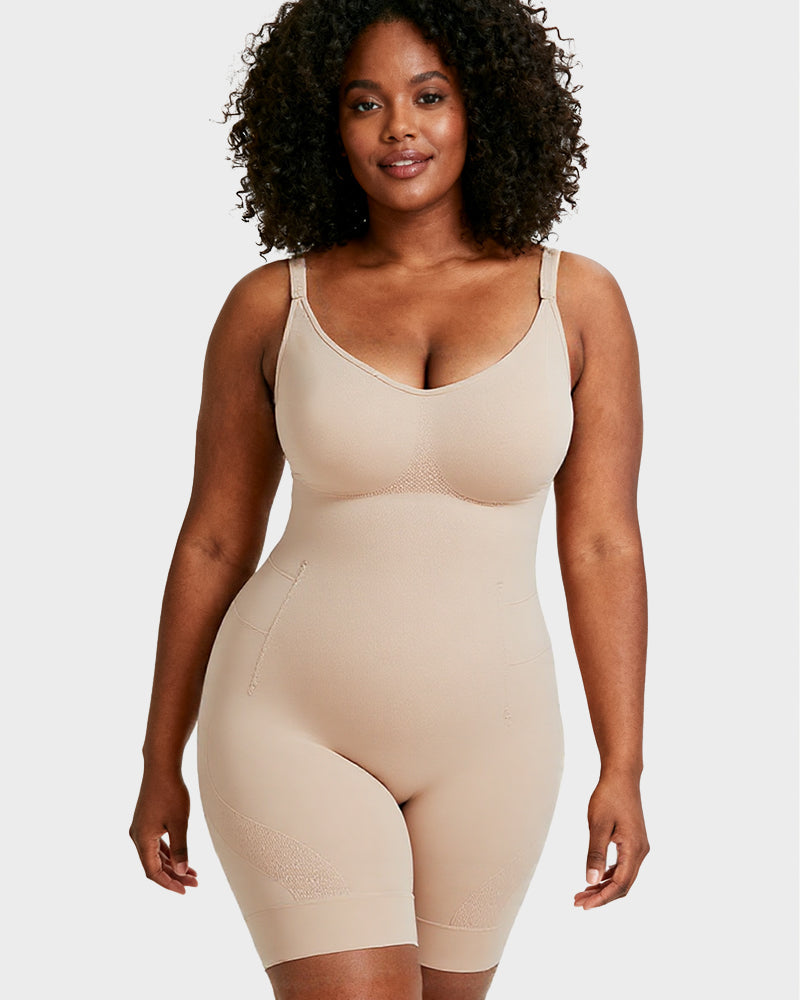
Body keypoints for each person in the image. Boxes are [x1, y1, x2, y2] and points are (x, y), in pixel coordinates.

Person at [129, 1, 650, 997]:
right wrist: (161, 755)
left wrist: (621, 762)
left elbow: (602, 545)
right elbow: (213, 542)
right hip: (287, 723)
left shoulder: (579, 300)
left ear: (484, 105)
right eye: (363, 102)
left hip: (495, 744)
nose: (398, 128)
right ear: (322, 124)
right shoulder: (269, 306)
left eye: (428, 96)